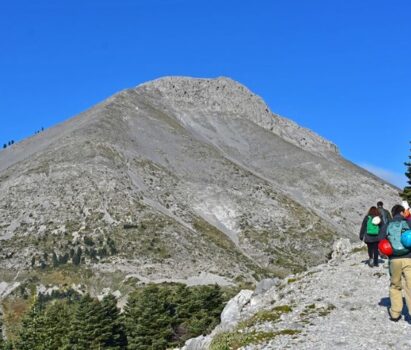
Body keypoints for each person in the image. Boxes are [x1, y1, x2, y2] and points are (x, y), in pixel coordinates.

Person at [380, 204, 411, 322]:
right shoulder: (408, 223)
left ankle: (395, 313)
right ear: (402, 212)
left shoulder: (387, 224)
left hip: (394, 260)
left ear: (393, 214)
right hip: (409, 258)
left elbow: (381, 240)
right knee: (410, 285)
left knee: (395, 285)